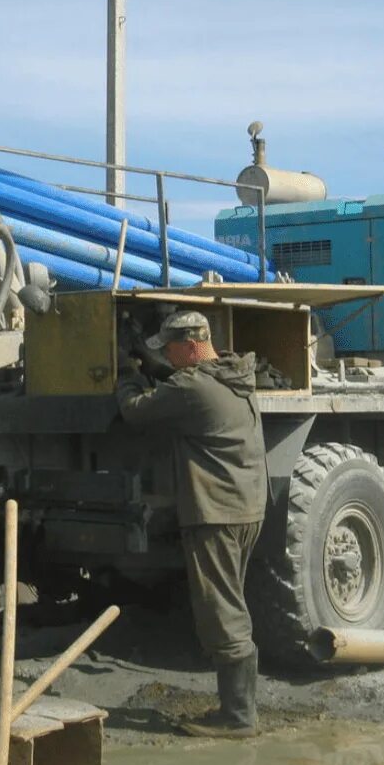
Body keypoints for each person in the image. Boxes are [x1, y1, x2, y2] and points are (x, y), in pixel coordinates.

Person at [116, 310, 267, 738]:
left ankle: (238, 718)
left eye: (170, 350)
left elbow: (134, 410)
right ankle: (237, 709)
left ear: (189, 346)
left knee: (222, 611)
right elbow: (182, 382)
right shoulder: (234, 375)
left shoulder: (191, 386)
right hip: (246, 507)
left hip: (215, 513)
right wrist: (155, 365)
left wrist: (129, 373)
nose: (167, 357)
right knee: (231, 603)